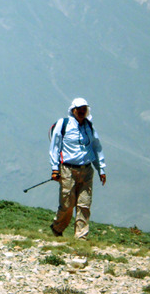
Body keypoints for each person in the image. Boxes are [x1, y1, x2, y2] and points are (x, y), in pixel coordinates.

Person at [49, 97, 106, 239]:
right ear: (73, 110)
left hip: (86, 170)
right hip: (67, 170)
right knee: (67, 204)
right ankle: (57, 228)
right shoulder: (64, 124)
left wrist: (101, 170)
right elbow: (55, 147)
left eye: (84, 109)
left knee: (84, 204)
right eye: (79, 109)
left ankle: (81, 238)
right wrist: (55, 169)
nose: (81, 111)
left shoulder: (89, 126)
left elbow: (96, 147)